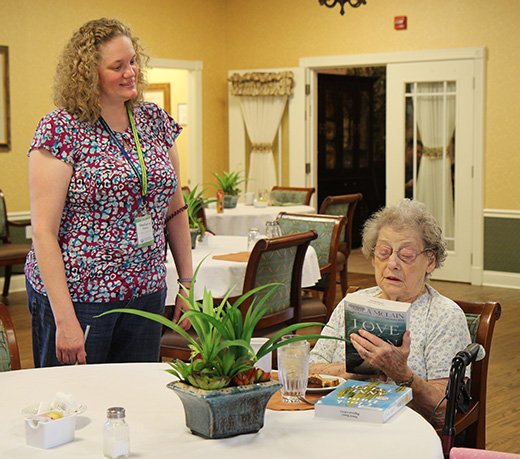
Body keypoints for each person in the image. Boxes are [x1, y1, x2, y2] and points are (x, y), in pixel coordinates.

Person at [25, 18, 193, 367]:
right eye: (117, 66)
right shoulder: (61, 128)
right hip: (80, 297)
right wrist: (65, 319)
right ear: (89, 74)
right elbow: (43, 232)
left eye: (132, 61)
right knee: (75, 405)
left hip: (146, 291)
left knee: (134, 401)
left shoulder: (153, 121)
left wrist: (187, 284)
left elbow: (175, 209)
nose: (131, 71)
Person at [309, 199, 470, 427]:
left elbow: (444, 411)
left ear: (430, 261)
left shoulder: (444, 316)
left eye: (407, 254)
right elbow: (312, 371)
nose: (392, 263)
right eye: (384, 252)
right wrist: (355, 371)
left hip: (402, 432)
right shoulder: (353, 303)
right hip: (335, 422)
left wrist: (401, 374)